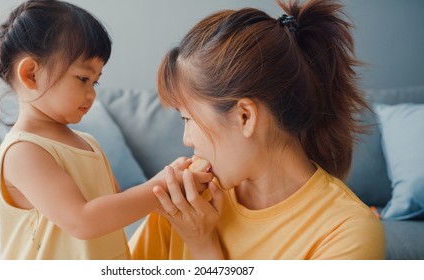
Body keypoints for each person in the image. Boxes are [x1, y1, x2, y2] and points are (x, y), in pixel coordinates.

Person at [130, 0, 385, 259]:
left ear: (245, 116)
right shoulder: (189, 200)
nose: (187, 140)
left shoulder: (347, 233)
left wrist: (202, 244)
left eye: (188, 119)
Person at [0, 0, 213, 259]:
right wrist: (160, 184)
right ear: (31, 74)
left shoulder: (88, 143)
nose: (92, 93)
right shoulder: (23, 151)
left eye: (95, 81)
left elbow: (116, 208)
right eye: (83, 78)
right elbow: (83, 221)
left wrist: (173, 184)